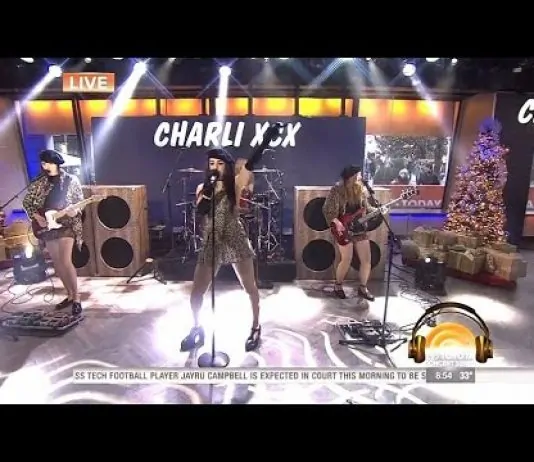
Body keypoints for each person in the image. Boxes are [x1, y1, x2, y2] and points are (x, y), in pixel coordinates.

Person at [180, 148, 261, 352]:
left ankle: (255, 326)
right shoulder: (202, 188)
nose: (215, 167)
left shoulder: (235, 184)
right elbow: (200, 211)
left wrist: (268, 137)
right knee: (197, 292)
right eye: (211, 163)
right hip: (212, 241)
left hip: (235, 238)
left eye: (220, 163)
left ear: (227, 166)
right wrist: (208, 191)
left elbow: (250, 165)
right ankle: (197, 328)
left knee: (250, 287)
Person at [22, 149, 84, 315]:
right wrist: (37, 217)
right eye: (42, 163)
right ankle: (69, 295)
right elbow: (27, 202)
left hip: (66, 224)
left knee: (65, 260)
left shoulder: (71, 180)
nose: (44, 166)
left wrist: (75, 211)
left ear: (55, 163)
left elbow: (79, 202)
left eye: (46, 163)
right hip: (47, 226)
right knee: (57, 263)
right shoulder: (40, 182)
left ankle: (77, 298)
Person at [322, 165, 375, 301]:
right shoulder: (337, 190)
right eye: (358, 174)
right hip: (343, 228)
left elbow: (367, 207)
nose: (361, 177)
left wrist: (377, 210)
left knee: (366, 260)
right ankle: (338, 286)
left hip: (359, 228)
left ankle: (363, 288)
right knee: (346, 259)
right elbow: (327, 209)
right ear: (351, 176)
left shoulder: (362, 190)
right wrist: (336, 222)